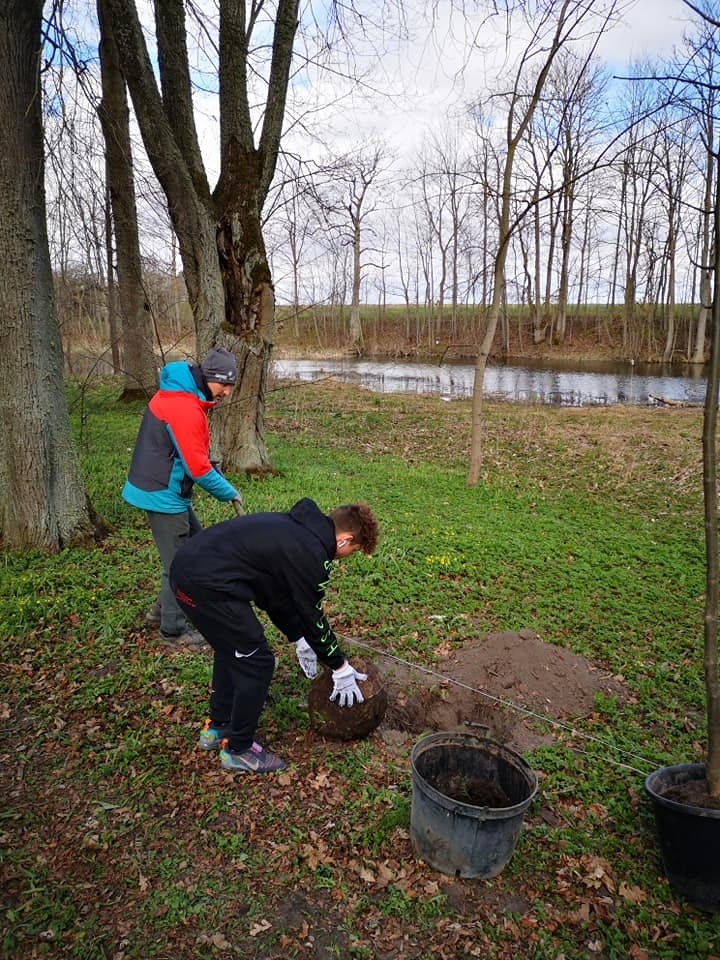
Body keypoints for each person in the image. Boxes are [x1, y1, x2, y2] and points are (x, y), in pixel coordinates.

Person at [169, 497, 380, 773]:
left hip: (188, 570)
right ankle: (239, 750)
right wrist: (338, 666)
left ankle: (217, 728)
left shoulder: (296, 531)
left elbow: (274, 595)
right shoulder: (311, 554)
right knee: (257, 662)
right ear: (344, 540)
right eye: (353, 549)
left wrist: (298, 637)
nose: (346, 556)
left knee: (232, 648)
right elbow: (311, 613)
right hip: (206, 587)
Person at [122, 347, 243, 649]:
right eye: (224, 385)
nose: (227, 392)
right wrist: (229, 492)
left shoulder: (181, 395)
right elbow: (198, 468)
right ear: (210, 378)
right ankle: (173, 631)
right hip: (162, 492)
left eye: (230, 385)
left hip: (162, 487)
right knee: (179, 564)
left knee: (196, 547)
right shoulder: (185, 407)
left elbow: (184, 451)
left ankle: (161, 610)